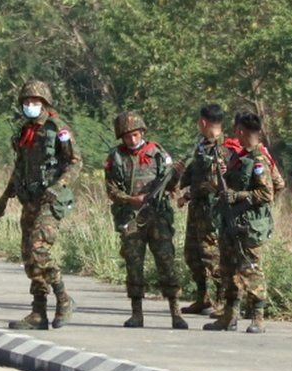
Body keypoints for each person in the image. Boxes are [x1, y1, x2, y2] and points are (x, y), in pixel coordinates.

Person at [0, 80, 82, 330]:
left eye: (35, 102)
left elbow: (75, 162)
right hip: (29, 200)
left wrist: (58, 185)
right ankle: (38, 312)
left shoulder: (57, 129)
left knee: (39, 250)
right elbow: (19, 168)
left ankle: (64, 298)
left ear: (45, 104)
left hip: (50, 201)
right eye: (26, 102)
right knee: (29, 259)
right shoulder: (25, 132)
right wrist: (4, 198)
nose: (30, 106)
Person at [104, 112, 188, 329]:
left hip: (158, 217)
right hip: (131, 217)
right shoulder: (116, 157)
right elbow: (111, 189)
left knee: (166, 262)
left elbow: (171, 187)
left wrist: (177, 175)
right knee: (134, 264)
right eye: (127, 136)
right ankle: (137, 313)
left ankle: (175, 312)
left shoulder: (157, 153)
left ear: (142, 132)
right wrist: (131, 199)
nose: (132, 139)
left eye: (135, 134)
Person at [204, 112, 274, 333]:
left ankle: (258, 318)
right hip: (231, 223)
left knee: (251, 270)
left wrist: (239, 196)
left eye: (236, 130)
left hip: (248, 226)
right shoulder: (238, 157)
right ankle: (230, 316)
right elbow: (226, 186)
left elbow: (267, 193)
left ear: (241, 131)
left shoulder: (258, 160)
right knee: (229, 270)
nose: (235, 133)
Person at [176, 104, 230, 316]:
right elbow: (197, 176)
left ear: (204, 122)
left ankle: (222, 301)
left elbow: (222, 182)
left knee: (212, 257)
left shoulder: (224, 148)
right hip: (196, 208)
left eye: (199, 121)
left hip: (212, 211)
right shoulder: (201, 146)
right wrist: (184, 192)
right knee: (192, 254)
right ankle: (202, 298)